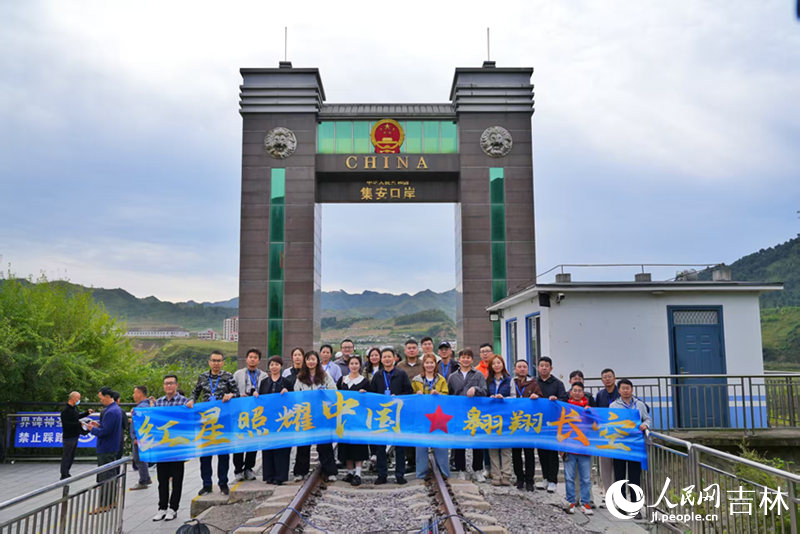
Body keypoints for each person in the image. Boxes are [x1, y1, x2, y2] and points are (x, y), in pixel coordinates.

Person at [186, 351, 239, 496]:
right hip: (206, 421)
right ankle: (207, 484)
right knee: (205, 454)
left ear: (223, 362)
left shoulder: (228, 376)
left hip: (223, 421)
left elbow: (238, 394)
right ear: (209, 362)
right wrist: (191, 400)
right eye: (213, 360)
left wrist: (231, 395)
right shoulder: (202, 377)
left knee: (223, 453)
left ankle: (223, 483)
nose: (216, 363)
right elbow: (195, 393)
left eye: (219, 361)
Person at [370, 347, 413, 485]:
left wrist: (398, 397)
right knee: (380, 446)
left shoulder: (402, 374)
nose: (387, 359)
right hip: (382, 415)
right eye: (384, 357)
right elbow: (372, 394)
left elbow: (409, 392)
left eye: (389, 356)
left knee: (399, 445)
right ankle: (382, 474)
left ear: (394, 358)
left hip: (398, 414)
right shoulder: (377, 376)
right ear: (381, 360)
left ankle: (399, 474)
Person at [293, 350, 339, 480]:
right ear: (305, 362)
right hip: (306, 415)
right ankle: (300, 472)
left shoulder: (325, 376)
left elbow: (333, 392)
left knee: (324, 443)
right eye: (308, 359)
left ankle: (330, 471)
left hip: (321, 415)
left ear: (317, 361)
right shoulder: (300, 378)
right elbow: (296, 395)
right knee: (303, 444)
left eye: (313, 359)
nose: (310, 362)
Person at [152, 375, 189, 522]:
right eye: (166, 384)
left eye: (171, 383)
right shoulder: (158, 402)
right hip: (162, 448)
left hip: (177, 447)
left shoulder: (184, 402)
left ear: (176, 385)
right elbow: (151, 420)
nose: (169, 386)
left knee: (177, 479)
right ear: (163, 386)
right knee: (162, 479)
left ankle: (173, 508)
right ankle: (162, 507)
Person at [447, 348, 487, 482]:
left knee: (477, 443)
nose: (465, 359)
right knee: (459, 443)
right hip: (459, 413)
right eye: (463, 357)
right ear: (459, 359)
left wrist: (475, 389)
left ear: (472, 359)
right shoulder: (452, 377)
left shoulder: (479, 375)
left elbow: (485, 391)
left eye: (468, 357)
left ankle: (477, 470)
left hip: (475, 413)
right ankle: (461, 470)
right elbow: (449, 395)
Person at [611, 379, 651, 509]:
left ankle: (635, 506)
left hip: (635, 446)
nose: (626, 391)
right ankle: (622, 505)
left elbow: (647, 419)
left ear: (632, 389)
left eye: (628, 388)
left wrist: (645, 425)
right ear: (619, 390)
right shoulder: (614, 406)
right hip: (619, 445)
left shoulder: (639, 404)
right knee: (620, 475)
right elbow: (610, 423)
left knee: (635, 476)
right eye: (623, 388)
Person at [412, 353, 450, 480]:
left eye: (432, 363)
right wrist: (416, 394)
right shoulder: (416, 380)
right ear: (423, 364)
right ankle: (421, 473)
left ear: (435, 364)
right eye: (427, 363)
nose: (429, 365)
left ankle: (444, 472)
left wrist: (439, 394)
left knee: (440, 444)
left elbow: (446, 395)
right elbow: (410, 396)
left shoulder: (441, 379)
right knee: (421, 445)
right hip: (421, 416)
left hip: (438, 416)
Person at [232, 348, 267, 481]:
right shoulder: (238, 374)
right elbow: (232, 390)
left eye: (255, 357)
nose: (252, 359)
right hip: (240, 413)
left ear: (259, 360)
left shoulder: (263, 375)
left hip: (256, 413)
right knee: (239, 441)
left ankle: (249, 468)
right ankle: (238, 469)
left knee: (253, 441)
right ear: (246, 359)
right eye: (250, 357)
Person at [87, 387, 123, 513]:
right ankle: (111, 501)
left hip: (106, 448)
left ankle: (104, 504)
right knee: (111, 475)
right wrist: (98, 425)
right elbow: (107, 428)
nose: (100, 400)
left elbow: (105, 432)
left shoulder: (110, 412)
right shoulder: (115, 409)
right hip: (112, 447)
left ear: (107, 396)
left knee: (105, 477)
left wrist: (92, 429)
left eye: (101, 397)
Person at [536, 356, 568, 493]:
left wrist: (556, 399)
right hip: (539, 423)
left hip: (553, 423)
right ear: (538, 367)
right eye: (541, 365)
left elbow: (564, 399)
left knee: (552, 453)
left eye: (546, 366)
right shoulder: (534, 382)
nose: (544, 368)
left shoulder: (558, 383)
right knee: (541, 451)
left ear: (551, 368)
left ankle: (553, 480)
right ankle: (544, 478)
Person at [337, 355, 370, 486]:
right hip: (345, 419)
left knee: (358, 446)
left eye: (357, 363)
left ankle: (358, 473)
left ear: (360, 366)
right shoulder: (342, 380)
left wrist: (365, 394)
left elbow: (371, 400)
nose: (354, 366)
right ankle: (349, 472)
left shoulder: (365, 381)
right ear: (348, 365)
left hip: (359, 419)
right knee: (346, 446)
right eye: (352, 363)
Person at [510, 359, 542, 491]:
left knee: (529, 453)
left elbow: (541, 397)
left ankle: (530, 480)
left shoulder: (533, 383)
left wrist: (537, 396)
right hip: (514, 423)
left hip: (528, 423)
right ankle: (519, 479)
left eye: (524, 367)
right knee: (516, 453)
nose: (522, 369)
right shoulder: (511, 383)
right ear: (515, 369)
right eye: (519, 367)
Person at [563, 382, 594, 515]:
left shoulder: (589, 409)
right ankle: (571, 501)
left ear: (583, 393)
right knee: (569, 477)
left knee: (585, 478)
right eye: (574, 390)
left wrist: (590, 413)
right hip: (569, 448)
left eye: (579, 391)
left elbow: (596, 425)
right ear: (570, 392)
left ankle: (585, 503)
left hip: (584, 448)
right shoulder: (564, 408)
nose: (576, 393)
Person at [260, 356, 291, 485]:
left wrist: (287, 392)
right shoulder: (264, 382)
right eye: (272, 364)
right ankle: (269, 475)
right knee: (268, 447)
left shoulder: (287, 382)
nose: (274, 367)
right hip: (267, 420)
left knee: (282, 448)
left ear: (281, 366)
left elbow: (293, 400)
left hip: (282, 420)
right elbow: (260, 399)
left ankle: (280, 476)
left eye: (276, 364)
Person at [594, 368, 621, 500]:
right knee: (605, 466)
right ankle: (608, 492)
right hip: (604, 435)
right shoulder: (600, 395)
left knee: (618, 465)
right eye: (604, 377)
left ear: (614, 378)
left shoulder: (621, 393)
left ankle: (619, 493)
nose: (607, 379)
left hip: (619, 434)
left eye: (610, 376)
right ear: (602, 380)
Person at [486, 355, 513, 486]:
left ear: (503, 364)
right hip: (492, 417)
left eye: (499, 363)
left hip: (506, 417)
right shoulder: (488, 381)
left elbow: (514, 397)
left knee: (506, 448)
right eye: (494, 364)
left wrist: (504, 398)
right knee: (493, 447)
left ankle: (506, 475)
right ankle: (496, 475)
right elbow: (483, 396)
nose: (496, 365)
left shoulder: (509, 380)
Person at [59, 391, 92, 480]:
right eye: (78, 398)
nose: (79, 400)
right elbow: (66, 424)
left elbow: (76, 417)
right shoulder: (66, 410)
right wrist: (78, 424)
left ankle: (67, 471)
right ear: (73, 398)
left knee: (71, 455)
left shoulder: (74, 408)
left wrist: (86, 413)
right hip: (68, 436)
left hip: (75, 435)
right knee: (67, 455)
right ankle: (64, 474)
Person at [129, 385, 153, 490]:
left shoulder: (141, 408)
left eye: (135, 393)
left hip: (139, 438)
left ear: (140, 393)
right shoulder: (146, 405)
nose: (133, 395)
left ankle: (143, 480)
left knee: (139, 459)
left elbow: (141, 424)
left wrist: (136, 437)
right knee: (141, 458)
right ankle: (146, 478)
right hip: (143, 437)